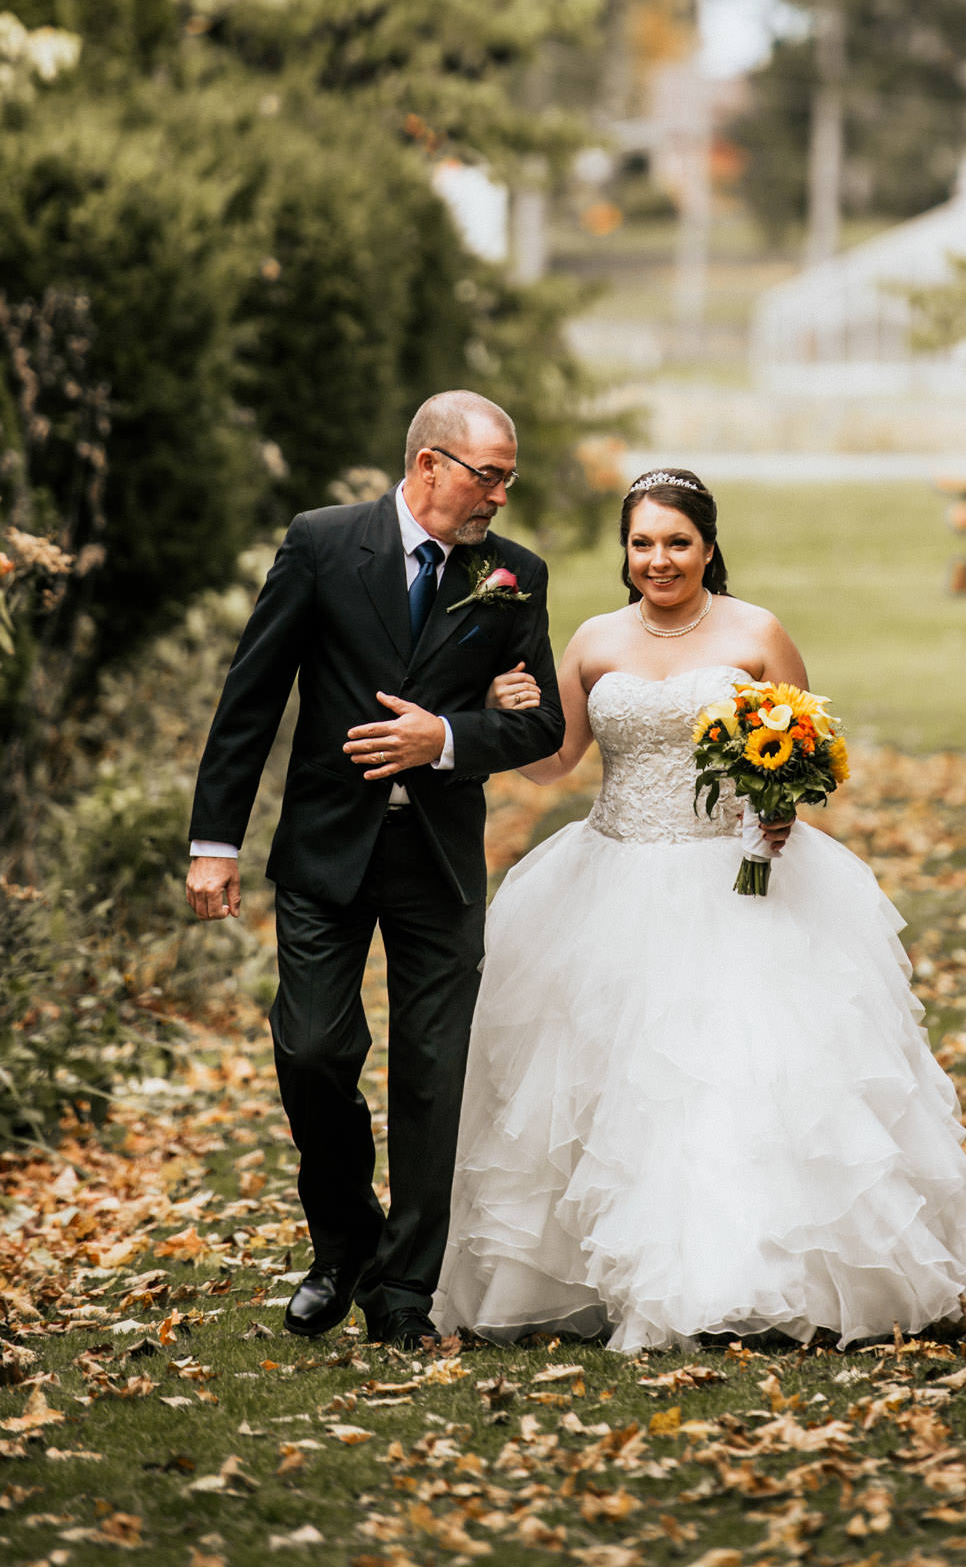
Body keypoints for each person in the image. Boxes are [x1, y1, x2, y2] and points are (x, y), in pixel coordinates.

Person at [434, 467, 966, 1352]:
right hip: (609, 879)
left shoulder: (756, 632)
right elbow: (554, 763)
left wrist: (781, 805)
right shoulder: (590, 640)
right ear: (624, 551)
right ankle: (601, 1279)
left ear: (708, 545)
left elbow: (815, 752)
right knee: (608, 1083)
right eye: (641, 543)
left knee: (732, 1078)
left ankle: (745, 1279)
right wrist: (509, 708)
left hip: (737, 878)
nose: (658, 561)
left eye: (677, 542)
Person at [185, 392, 564, 1348]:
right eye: (489, 475)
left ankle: (405, 1295)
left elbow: (541, 723)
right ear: (429, 464)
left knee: (434, 1076)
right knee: (313, 1051)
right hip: (326, 848)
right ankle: (345, 1238)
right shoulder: (321, 543)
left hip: (438, 857)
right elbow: (253, 692)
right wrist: (214, 842)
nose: (500, 498)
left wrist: (448, 735)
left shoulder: (513, 575)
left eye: (509, 479)